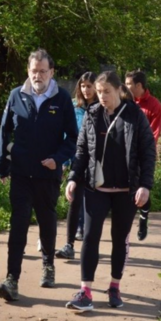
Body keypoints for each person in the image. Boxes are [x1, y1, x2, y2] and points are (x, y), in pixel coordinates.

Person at [64, 71, 156, 312]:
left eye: (107, 91)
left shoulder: (135, 115)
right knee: (90, 236)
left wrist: (145, 185)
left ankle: (114, 286)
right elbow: (82, 150)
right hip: (97, 188)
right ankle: (85, 291)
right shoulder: (92, 114)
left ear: (118, 91)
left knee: (119, 239)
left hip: (126, 190)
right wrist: (74, 178)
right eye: (99, 91)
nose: (102, 96)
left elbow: (148, 152)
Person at [0, 48, 78, 302]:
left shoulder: (62, 99)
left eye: (43, 71)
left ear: (51, 72)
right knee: (18, 224)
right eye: (34, 71)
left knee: (46, 221)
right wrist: (2, 164)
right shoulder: (15, 96)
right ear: (28, 71)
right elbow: (3, 132)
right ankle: (12, 278)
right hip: (20, 173)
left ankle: (48, 264)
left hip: (47, 174)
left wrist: (59, 159)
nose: (38, 75)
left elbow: (73, 138)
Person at [55, 72, 98, 260]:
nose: (86, 90)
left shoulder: (102, 108)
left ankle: (90, 245)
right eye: (83, 86)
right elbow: (67, 136)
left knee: (92, 206)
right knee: (74, 201)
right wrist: (63, 161)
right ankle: (69, 244)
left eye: (90, 86)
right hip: (77, 161)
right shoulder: (74, 108)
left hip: (97, 164)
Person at [124, 70, 161, 240]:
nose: (125, 87)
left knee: (143, 188)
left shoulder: (154, 106)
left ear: (138, 85)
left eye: (128, 84)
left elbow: (155, 133)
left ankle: (143, 218)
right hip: (125, 154)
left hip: (142, 154)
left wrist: (146, 155)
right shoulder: (124, 101)